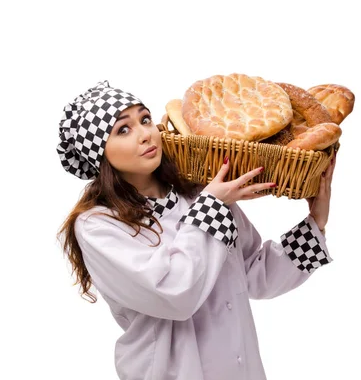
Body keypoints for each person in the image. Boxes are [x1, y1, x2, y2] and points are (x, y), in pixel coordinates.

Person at [56, 80, 337, 380]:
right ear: (99, 152)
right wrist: (213, 203)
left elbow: (255, 273)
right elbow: (176, 295)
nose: (145, 134)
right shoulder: (97, 226)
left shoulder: (198, 193)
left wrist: (315, 224)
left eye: (145, 119)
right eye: (123, 130)